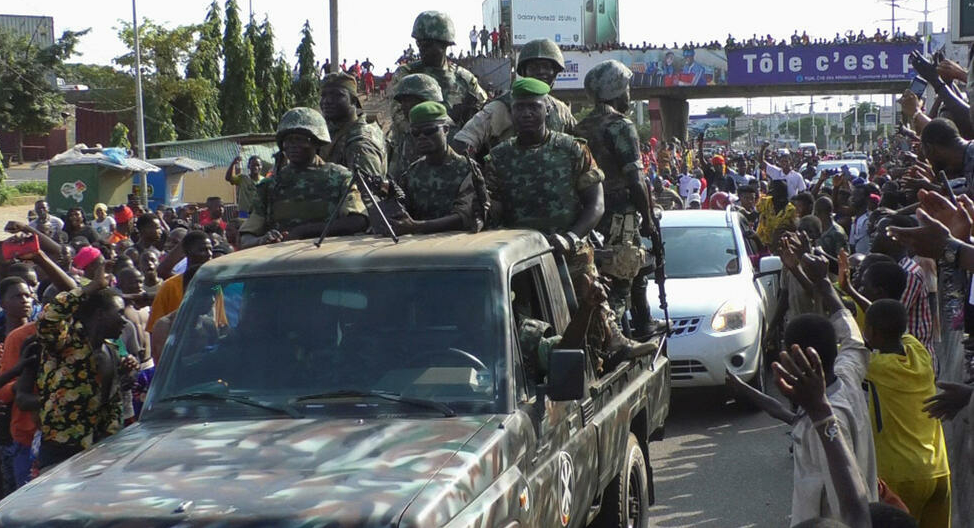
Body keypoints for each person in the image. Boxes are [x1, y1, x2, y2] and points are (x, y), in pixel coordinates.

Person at [484, 77, 658, 374]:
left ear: (546, 111)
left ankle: (614, 344)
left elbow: (596, 204)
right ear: (512, 113)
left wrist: (571, 237)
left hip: (568, 247)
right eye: (520, 108)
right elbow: (494, 209)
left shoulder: (571, 149)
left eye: (533, 107)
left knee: (592, 298)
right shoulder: (498, 158)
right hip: (520, 256)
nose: (526, 113)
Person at [729, 252, 878, 524]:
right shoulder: (848, 375)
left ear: (794, 359)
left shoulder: (821, 426)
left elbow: (848, 507)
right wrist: (823, 283)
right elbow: (852, 335)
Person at [572, 60, 659, 336]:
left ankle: (642, 323)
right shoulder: (621, 125)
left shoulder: (580, 128)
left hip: (589, 215)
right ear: (617, 90)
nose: (629, 94)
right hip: (621, 214)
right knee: (620, 284)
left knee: (630, 269)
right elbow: (635, 179)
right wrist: (648, 219)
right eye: (627, 87)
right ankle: (609, 338)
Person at [35, 260, 137, 469]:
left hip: (101, 449)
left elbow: (109, 399)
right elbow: (49, 318)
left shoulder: (112, 348)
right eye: (118, 313)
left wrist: (127, 372)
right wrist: (92, 287)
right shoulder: (65, 343)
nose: (124, 321)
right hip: (62, 451)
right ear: (99, 314)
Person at [863, 299, 950, 528]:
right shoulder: (918, 351)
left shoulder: (876, 366)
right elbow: (892, 325)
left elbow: (846, 351)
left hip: (900, 474)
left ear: (870, 331)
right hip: (938, 469)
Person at [240, 107, 368, 248]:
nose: (293, 146)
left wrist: (303, 232)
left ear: (316, 141)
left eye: (301, 139)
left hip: (330, 257)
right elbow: (246, 237)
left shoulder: (339, 177)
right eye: (288, 140)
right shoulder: (270, 185)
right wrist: (262, 240)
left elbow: (358, 221)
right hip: (281, 261)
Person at [453, 39, 576, 159]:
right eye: (534, 67)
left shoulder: (561, 109)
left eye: (546, 67)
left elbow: (581, 142)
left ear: (555, 72)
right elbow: (464, 142)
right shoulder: (501, 107)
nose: (541, 72)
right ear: (524, 71)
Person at [391, 102, 481, 235]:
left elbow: (464, 217)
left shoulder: (467, 169)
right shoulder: (412, 172)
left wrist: (417, 227)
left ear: (446, 130)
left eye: (429, 131)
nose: (422, 137)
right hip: (418, 248)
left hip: (459, 247)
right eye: (415, 133)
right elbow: (403, 210)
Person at [390, 12, 487, 130]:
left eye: (427, 44)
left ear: (445, 44)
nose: (421, 49)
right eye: (419, 43)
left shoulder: (464, 79)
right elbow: (398, 115)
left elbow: (484, 111)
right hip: (415, 141)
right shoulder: (406, 74)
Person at [318, 73, 389, 197]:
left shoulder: (360, 144)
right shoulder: (339, 131)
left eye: (337, 95)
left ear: (354, 101)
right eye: (323, 95)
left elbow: (368, 198)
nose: (327, 101)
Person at [145, 230, 213, 334]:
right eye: (202, 250)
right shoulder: (170, 287)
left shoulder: (215, 285)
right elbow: (154, 329)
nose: (209, 254)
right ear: (187, 252)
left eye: (210, 249)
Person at [387, 73, 449, 178]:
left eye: (408, 101)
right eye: (402, 102)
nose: (402, 107)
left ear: (427, 100)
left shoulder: (441, 131)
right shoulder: (403, 129)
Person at [756, 180, 797, 250]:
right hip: (761, 243)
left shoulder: (791, 210)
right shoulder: (765, 202)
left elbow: (792, 228)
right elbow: (756, 213)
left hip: (780, 247)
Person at [848, 184, 872, 254]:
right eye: (853, 195)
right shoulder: (855, 220)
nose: (853, 198)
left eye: (857, 195)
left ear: (867, 199)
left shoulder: (869, 220)